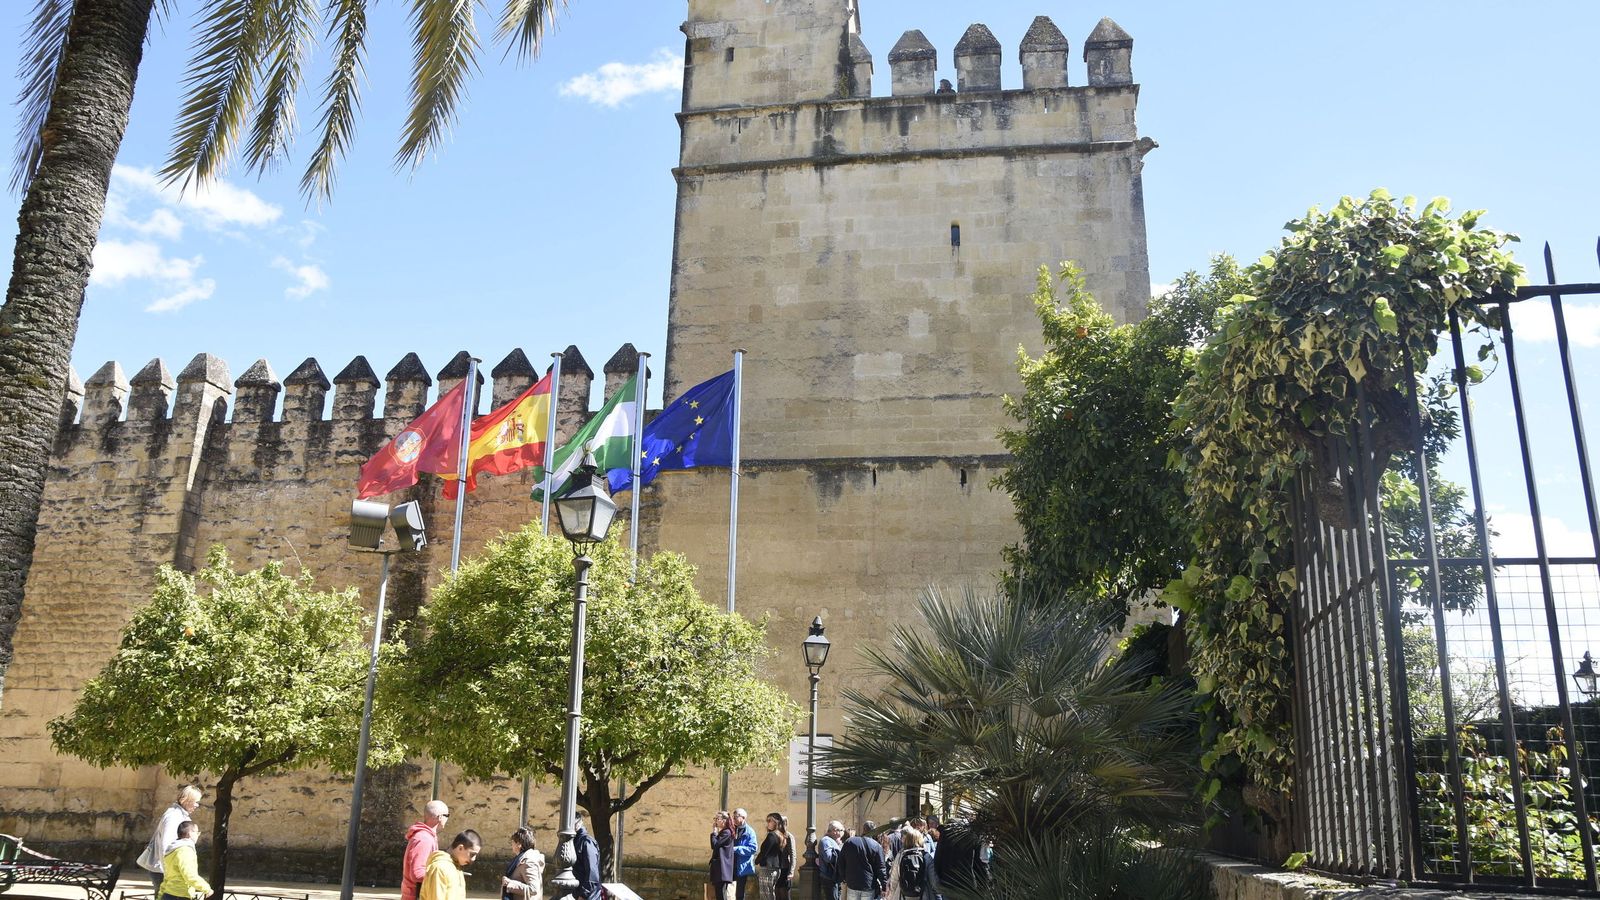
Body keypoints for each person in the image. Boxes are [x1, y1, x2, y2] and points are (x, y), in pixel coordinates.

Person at [139, 785, 202, 892]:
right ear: (185, 800)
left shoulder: (180, 815)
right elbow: (166, 845)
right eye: (195, 802)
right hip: (163, 870)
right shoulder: (173, 816)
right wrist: (170, 871)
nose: (197, 805)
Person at [403, 800, 451, 900]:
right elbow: (417, 873)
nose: (448, 819)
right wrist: (444, 875)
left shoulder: (426, 837)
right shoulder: (424, 839)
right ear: (440, 817)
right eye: (448, 815)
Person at [420, 830, 481, 900]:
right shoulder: (439, 868)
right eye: (472, 854)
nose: (473, 859)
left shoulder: (456, 868)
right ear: (460, 848)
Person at [158, 820, 210, 900]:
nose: (198, 835)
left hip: (168, 894)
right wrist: (207, 889)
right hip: (180, 896)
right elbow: (189, 875)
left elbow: (167, 878)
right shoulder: (185, 850)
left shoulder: (172, 850)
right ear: (190, 833)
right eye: (197, 832)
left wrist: (160, 896)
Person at [839, 824, 888, 900]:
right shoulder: (877, 846)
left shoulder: (850, 842)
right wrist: (884, 886)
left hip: (852, 883)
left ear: (864, 829)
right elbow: (881, 868)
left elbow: (841, 861)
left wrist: (844, 877)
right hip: (868, 885)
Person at [755, 812, 794, 900]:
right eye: (767, 821)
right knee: (772, 893)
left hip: (768, 869)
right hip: (776, 869)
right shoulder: (781, 835)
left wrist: (756, 860)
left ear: (776, 823)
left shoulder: (772, 835)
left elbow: (764, 851)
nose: (767, 823)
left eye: (770, 821)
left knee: (766, 894)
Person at [501, 826, 545, 900]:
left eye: (512, 842)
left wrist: (510, 884)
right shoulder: (521, 859)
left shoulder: (528, 862)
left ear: (519, 844)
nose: (511, 845)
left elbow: (533, 889)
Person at [889, 827, 929, 900]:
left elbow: (894, 879)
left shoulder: (901, 856)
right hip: (922, 895)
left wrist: (891, 896)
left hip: (903, 895)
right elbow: (934, 881)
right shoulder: (926, 856)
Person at [572, 811, 603, 900]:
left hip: (588, 896)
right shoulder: (573, 841)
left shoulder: (586, 842)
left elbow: (592, 873)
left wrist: (583, 894)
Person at [731, 808, 759, 900]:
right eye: (733, 816)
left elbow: (753, 848)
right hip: (730, 864)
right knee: (728, 889)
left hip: (742, 866)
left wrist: (737, 849)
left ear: (743, 818)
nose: (733, 819)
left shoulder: (750, 832)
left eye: (736, 817)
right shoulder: (731, 829)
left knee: (739, 892)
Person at [708, 811, 736, 900]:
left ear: (724, 820)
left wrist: (714, 833)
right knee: (719, 892)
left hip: (722, 868)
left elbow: (715, 845)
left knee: (721, 893)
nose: (715, 821)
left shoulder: (726, 832)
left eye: (717, 819)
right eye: (715, 819)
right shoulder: (724, 832)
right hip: (719, 868)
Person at [816, 821, 845, 900]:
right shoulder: (826, 841)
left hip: (834, 877)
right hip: (829, 877)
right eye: (842, 830)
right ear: (835, 831)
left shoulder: (832, 841)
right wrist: (839, 850)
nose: (843, 832)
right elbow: (828, 857)